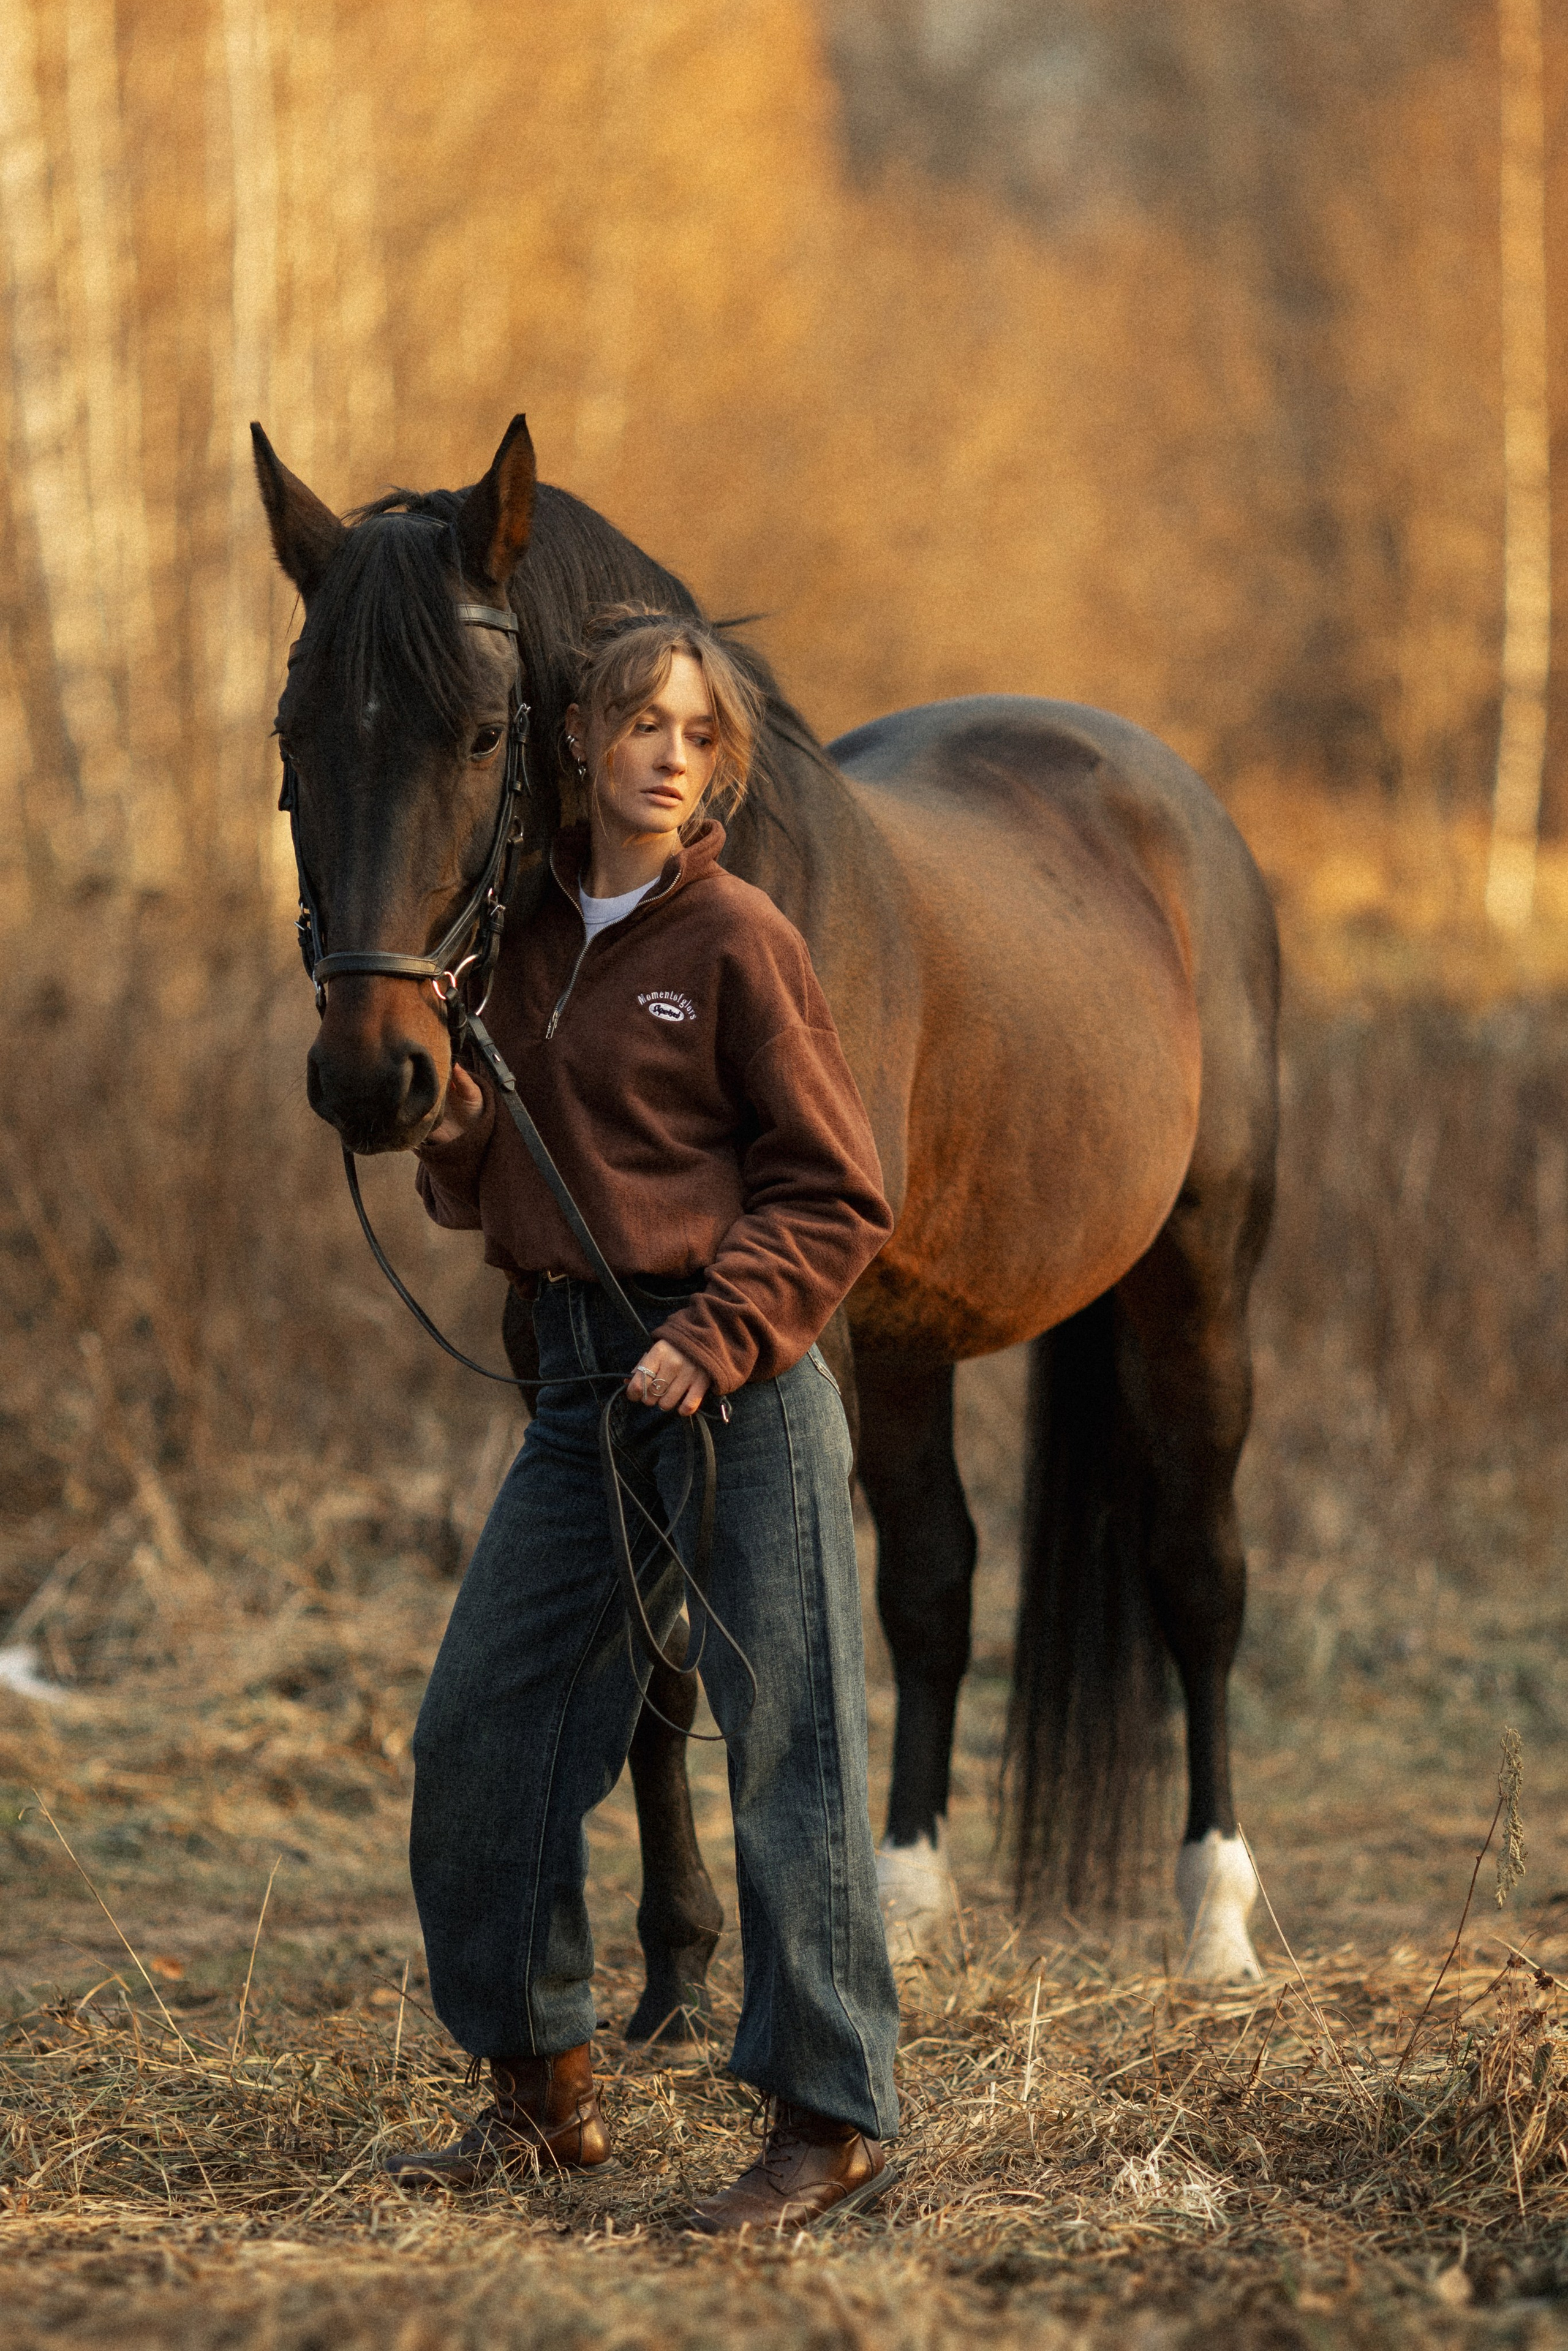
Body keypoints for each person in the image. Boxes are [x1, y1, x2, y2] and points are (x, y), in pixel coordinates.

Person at [383, 604, 901, 2232]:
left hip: (741, 1389)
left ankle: (826, 2121)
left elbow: (838, 1191)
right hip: (578, 1388)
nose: (670, 758)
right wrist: (458, 1122)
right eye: (641, 726)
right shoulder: (518, 940)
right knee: (481, 1725)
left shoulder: (739, 939)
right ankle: (539, 2091)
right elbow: (488, 1186)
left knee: (789, 1754)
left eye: (696, 733)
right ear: (581, 745)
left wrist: (724, 1330)